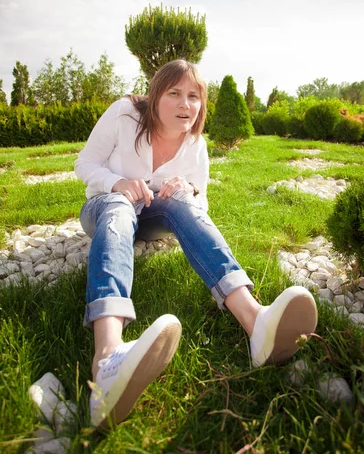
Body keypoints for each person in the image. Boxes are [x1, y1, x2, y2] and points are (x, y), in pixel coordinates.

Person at [75, 59, 318, 429]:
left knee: (182, 201)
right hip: (105, 209)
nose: (186, 105)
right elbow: (85, 163)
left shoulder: (195, 143)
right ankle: (106, 360)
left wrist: (188, 190)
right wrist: (117, 183)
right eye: (174, 94)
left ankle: (256, 324)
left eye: (193, 96)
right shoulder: (124, 113)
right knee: (119, 206)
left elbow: (200, 202)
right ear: (156, 96)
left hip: (153, 218)